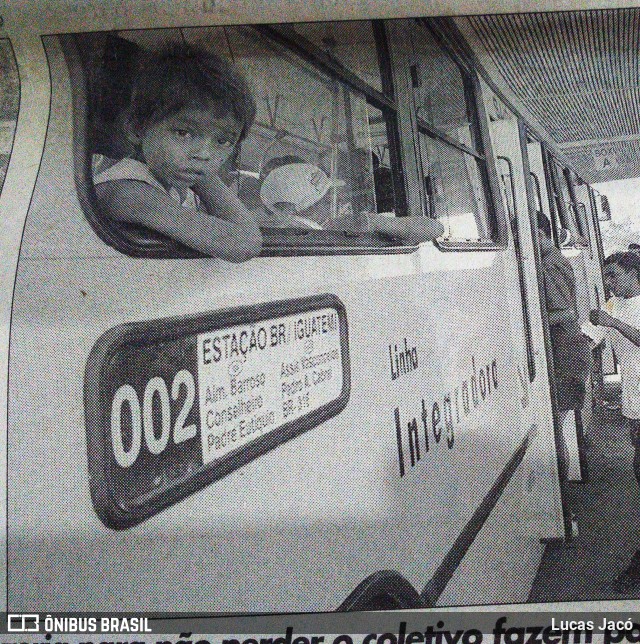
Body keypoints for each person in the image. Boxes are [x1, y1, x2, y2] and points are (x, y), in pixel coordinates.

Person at [93, 44, 262, 262]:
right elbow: (244, 244)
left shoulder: (167, 181)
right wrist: (205, 178)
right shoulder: (127, 191)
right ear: (137, 128)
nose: (204, 154)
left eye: (222, 141)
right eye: (183, 133)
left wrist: (197, 172)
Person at [589, 251, 640, 592]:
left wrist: (615, 324)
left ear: (634, 273)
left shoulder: (626, 311)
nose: (608, 283)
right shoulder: (613, 305)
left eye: (613, 275)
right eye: (606, 276)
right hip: (635, 406)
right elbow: (589, 337)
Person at [258, 157, 444, 244]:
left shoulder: (260, 224)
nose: (333, 199)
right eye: (327, 196)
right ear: (309, 205)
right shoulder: (329, 231)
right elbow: (435, 228)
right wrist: (373, 221)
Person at [537, 211, 592, 415]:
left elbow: (567, 312)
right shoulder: (553, 260)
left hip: (566, 353)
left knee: (558, 421)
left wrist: (532, 320)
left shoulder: (549, 265)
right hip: (568, 352)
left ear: (540, 234)